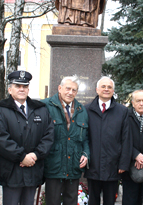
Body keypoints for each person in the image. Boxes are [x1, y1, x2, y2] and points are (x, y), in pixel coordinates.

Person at [0, 71, 54, 205]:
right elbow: (0, 138)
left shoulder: (41, 109)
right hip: (11, 170)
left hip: (33, 168)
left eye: (24, 86)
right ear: (10, 89)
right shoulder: (0, 109)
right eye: (17, 86)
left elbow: (48, 135)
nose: (21, 89)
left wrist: (36, 155)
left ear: (28, 89)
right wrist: (22, 157)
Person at [42, 75, 89, 205]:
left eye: (74, 90)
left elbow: (85, 138)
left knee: (71, 201)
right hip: (53, 165)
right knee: (53, 201)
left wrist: (86, 154)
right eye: (68, 88)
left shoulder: (81, 110)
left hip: (73, 166)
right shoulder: (45, 106)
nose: (70, 92)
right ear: (60, 88)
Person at [85, 76, 131, 205]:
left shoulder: (122, 111)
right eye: (103, 86)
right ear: (97, 90)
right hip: (93, 164)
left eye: (109, 87)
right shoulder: (87, 110)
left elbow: (126, 138)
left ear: (113, 91)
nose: (106, 89)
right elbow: (83, 137)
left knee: (110, 201)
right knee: (93, 200)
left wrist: (123, 164)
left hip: (113, 165)